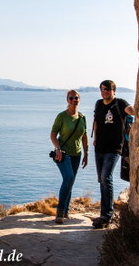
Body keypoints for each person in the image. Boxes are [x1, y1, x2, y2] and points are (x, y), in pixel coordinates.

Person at [92, 80, 135, 229]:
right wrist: (95, 138)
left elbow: (130, 110)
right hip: (99, 148)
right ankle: (104, 213)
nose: (105, 91)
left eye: (108, 89)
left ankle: (106, 215)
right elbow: (96, 122)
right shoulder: (98, 104)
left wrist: (138, 109)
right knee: (102, 180)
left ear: (114, 90)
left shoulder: (120, 103)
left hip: (115, 148)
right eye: (102, 89)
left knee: (106, 178)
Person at [50, 90, 88, 224]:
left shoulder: (82, 117)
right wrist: (58, 149)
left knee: (70, 182)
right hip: (63, 154)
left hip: (77, 154)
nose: (74, 100)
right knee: (69, 177)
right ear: (67, 100)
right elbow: (53, 134)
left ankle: (66, 210)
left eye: (76, 97)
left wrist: (86, 154)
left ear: (79, 99)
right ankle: (60, 211)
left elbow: (84, 136)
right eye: (71, 98)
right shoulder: (62, 116)